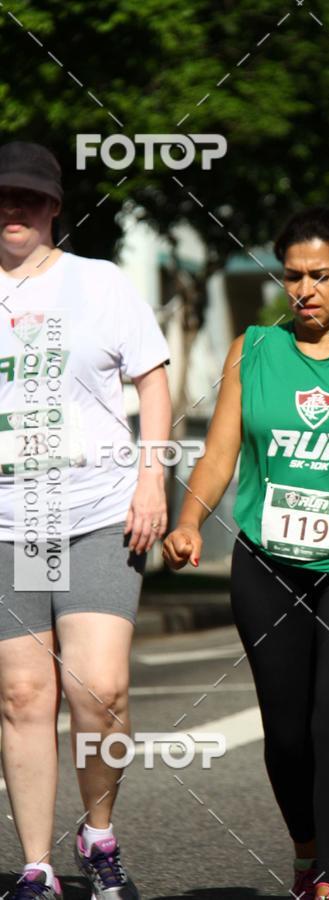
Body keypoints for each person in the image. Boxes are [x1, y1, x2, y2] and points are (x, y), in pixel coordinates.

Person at [162, 207, 329, 900]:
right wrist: (188, 522)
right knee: (287, 734)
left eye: (320, 275)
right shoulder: (255, 349)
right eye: (292, 276)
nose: (304, 289)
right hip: (269, 562)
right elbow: (220, 454)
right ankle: (308, 851)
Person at [0, 142, 172, 900]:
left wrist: (153, 476)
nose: (15, 209)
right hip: (13, 523)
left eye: (30, 197)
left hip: (99, 510)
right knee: (23, 695)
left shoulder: (99, 283)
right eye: (3, 196)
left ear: (55, 206)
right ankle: (37, 867)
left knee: (99, 690)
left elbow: (153, 382)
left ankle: (97, 834)